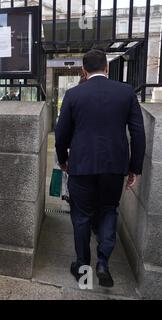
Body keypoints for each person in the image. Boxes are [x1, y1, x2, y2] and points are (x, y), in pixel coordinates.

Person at [55, 49, 146, 288]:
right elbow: (138, 133)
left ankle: (83, 267)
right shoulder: (126, 93)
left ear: (84, 71)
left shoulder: (73, 94)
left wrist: (63, 159)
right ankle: (103, 262)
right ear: (106, 68)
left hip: (81, 165)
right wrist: (134, 168)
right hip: (114, 166)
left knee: (81, 217)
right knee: (108, 210)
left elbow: (61, 133)